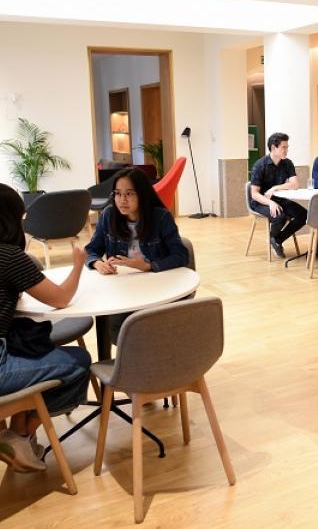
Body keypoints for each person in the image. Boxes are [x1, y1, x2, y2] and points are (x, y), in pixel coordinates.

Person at [0, 183, 90, 473]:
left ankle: (17, 435)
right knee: (79, 362)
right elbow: (61, 299)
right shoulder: (9, 257)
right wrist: (78, 264)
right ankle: (23, 434)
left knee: (34, 353)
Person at [85, 167, 189, 341]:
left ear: (142, 194)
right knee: (116, 330)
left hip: (158, 288)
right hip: (124, 288)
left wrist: (148, 266)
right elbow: (91, 250)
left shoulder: (161, 217)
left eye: (129, 194)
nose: (122, 200)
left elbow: (181, 255)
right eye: (118, 194)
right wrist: (97, 263)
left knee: (140, 330)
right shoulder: (109, 215)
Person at [250, 133, 307, 259]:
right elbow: (254, 194)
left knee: (304, 215)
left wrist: (275, 188)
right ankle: (274, 240)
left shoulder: (287, 163)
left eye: (287, 147)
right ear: (273, 147)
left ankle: (276, 239)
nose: (286, 150)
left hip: (278, 198)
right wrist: (270, 203)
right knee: (280, 217)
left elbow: (295, 184)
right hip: (260, 201)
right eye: (283, 147)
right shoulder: (260, 165)